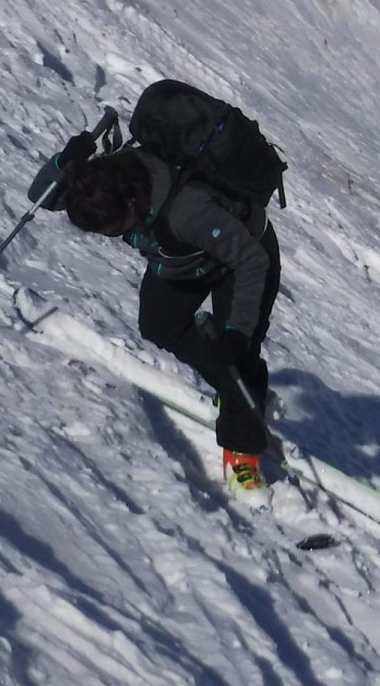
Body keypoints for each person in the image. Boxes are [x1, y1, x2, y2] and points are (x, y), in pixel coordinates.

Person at [29, 121, 281, 489]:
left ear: (132, 204)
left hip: (242, 256)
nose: (114, 236)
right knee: (160, 325)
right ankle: (236, 389)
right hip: (180, 259)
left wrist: (237, 332)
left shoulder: (187, 211)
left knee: (236, 356)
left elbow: (251, 262)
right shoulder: (102, 182)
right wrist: (64, 163)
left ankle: (242, 447)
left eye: (116, 228)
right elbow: (41, 196)